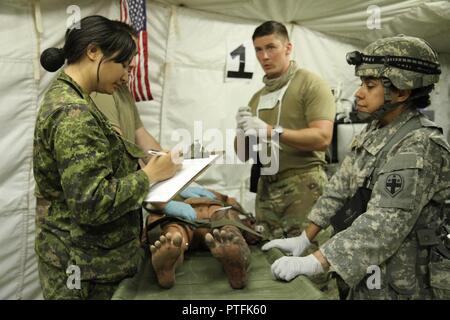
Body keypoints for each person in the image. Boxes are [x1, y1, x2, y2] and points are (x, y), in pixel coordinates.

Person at [262, 35, 450, 300]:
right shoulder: (376, 129)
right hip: (370, 273)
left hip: (408, 281)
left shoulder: (419, 145)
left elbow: (383, 224)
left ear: (402, 92)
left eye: (369, 85)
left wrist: (317, 260)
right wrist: (305, 237)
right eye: (362, 83)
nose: (358, 93)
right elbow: (340, 186)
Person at [34, 15, 181, 300]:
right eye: (123, 65)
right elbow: (92, 204)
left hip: (91, 263)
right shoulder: (73, 114)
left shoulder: (75, 99)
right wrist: (150, 175)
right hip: (82, 268)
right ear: (93, 52)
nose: (127, 75)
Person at [234, 21, 336, 242]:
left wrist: (271, 131)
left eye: (271, 47)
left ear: (288, 48)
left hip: (303, 185)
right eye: (258, 50)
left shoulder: (311, 85)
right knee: (271, 259)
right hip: (266, 187)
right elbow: (244, 155)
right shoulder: (257, 98)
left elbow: (322, 138)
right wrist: (241, 134)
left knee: (307, 259)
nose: (264, 57)